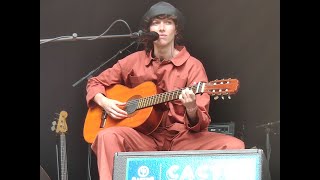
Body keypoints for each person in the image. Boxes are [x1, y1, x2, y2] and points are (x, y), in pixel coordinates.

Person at [86, 1, 245, 179]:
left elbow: (201, 123)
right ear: (148, 30)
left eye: (168, 22)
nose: (161, 28)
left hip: (182, 138)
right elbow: (95, 82)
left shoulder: (193, 66)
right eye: (156, 22)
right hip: (143, 138)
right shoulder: (134, 61)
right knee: (107, 136)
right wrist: (104, 101)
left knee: (235, 147)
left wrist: (191, 108)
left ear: (176, 30)